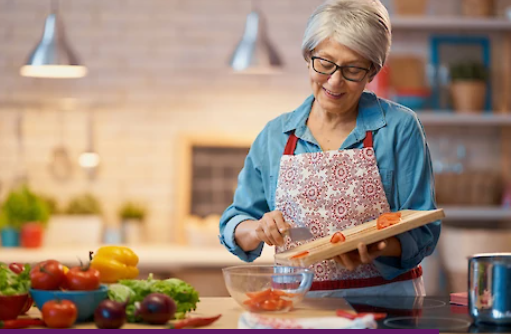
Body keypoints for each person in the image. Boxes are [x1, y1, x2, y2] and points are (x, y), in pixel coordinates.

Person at [219, 0, 440, 297]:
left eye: (353, 70)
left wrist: (381, 246)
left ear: (372, 71)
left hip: (386, 306)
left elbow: (424, 230)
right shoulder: (275, 136)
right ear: (308, 55)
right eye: (325, 63)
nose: (335, 82)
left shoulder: (399, 128)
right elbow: (234, 223)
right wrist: (258, 228)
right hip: (295, 307)